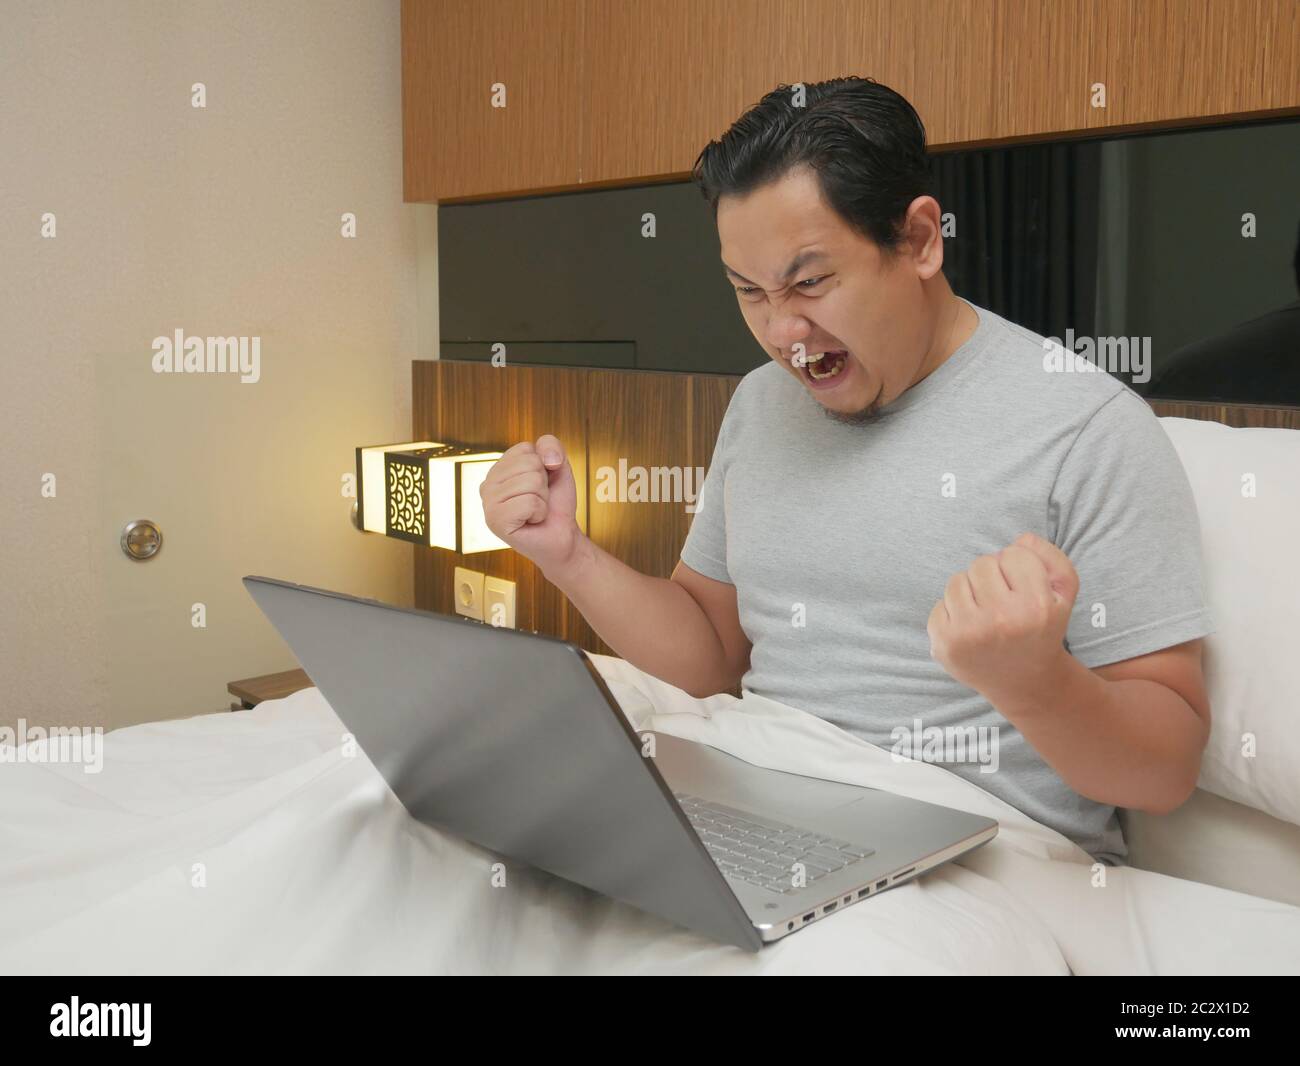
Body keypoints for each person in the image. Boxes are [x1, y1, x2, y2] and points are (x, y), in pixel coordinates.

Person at [480, 77, 1213, 865]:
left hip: (982, 849)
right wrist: (568, 556)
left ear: (922, 239)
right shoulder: (762, 405)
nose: (783, 331)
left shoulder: (1085, 426)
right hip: (758, 794)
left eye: (810, 282)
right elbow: (709, 656)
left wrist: (1033, 680)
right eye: (749, 292)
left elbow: (1166, 768)